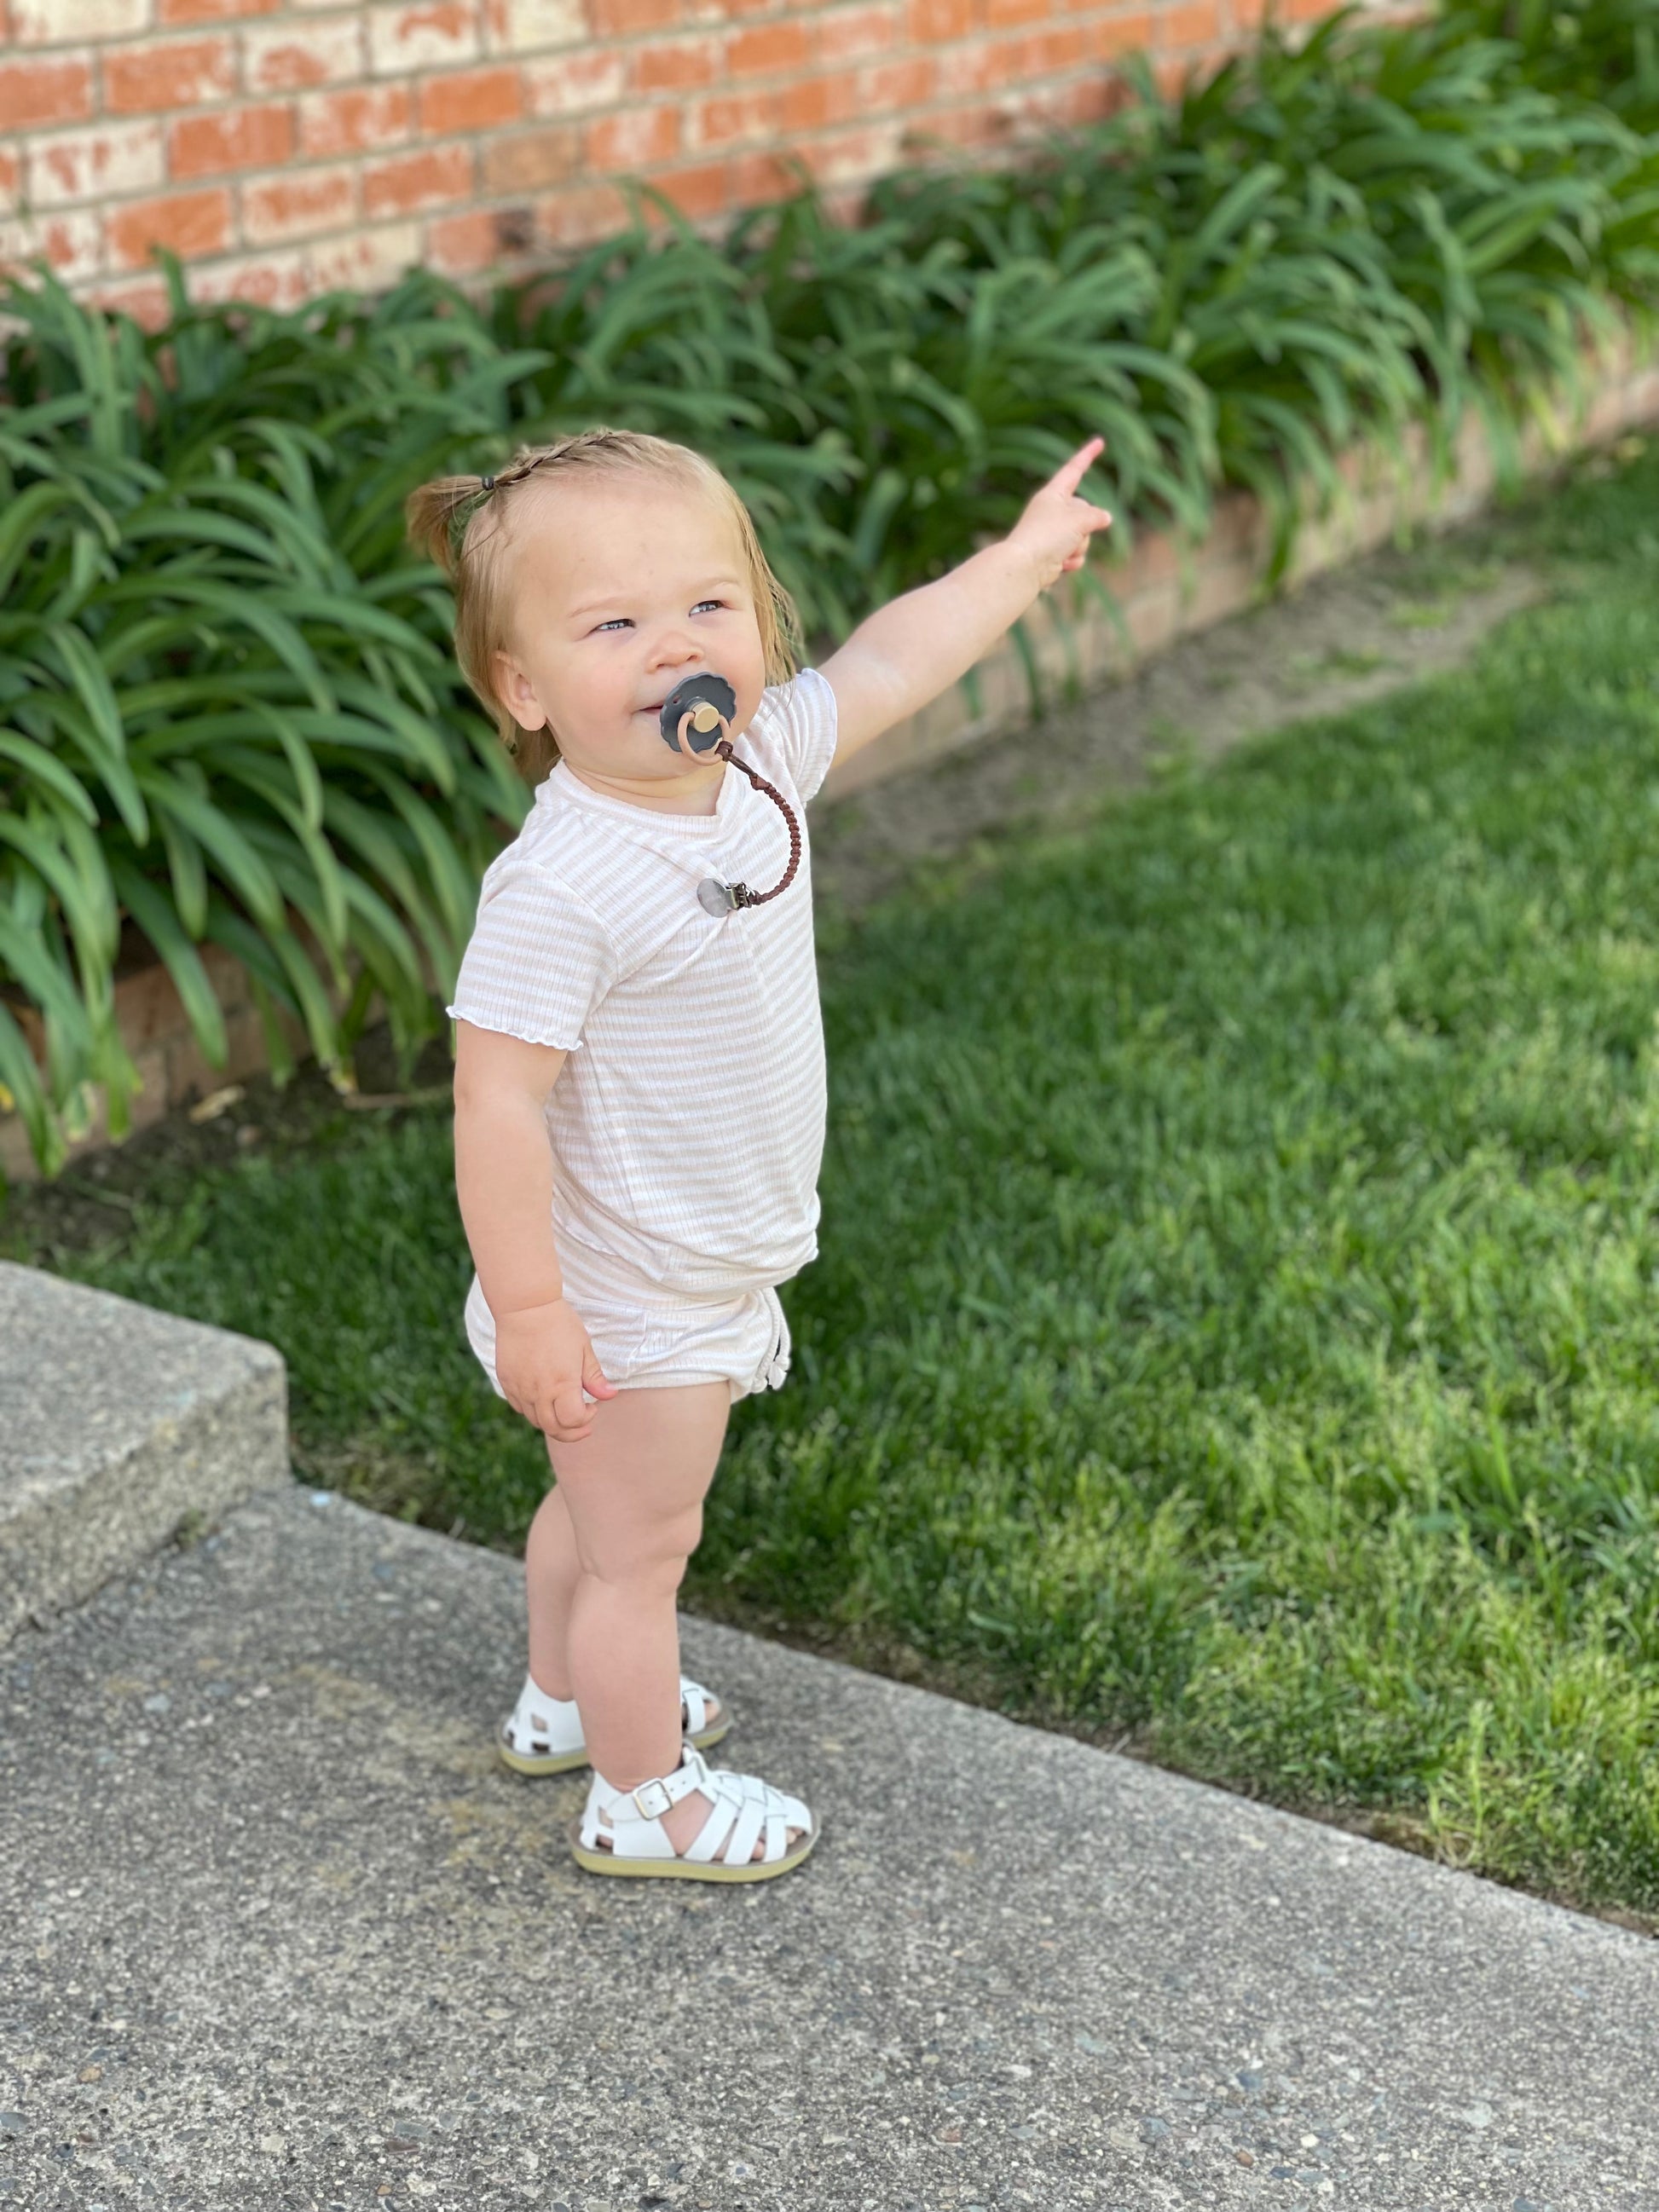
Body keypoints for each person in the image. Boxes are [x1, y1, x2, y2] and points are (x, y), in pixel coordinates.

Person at [407, 425, 1111, 1883]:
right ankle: (640, 1797)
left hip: (693, 1255)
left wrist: (1018, 560)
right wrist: (532, 1310)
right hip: (630, 1296)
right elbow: (495, 1103)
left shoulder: (756, 765)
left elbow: (893, 661)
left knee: (593, 1512)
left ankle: (560, 1702)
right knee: (639, 1556)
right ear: (523, 689)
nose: (675, 647)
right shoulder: (564, 883)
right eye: (614, 626)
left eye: (706, 605)